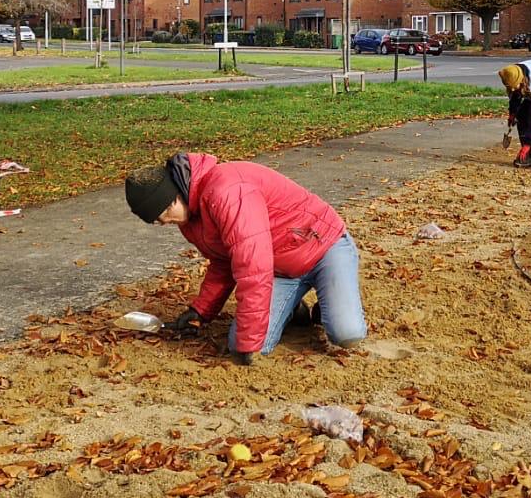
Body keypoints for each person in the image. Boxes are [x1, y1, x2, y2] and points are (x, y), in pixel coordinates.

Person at [123, 153, 367, 363]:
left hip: (325, 248)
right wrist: (201, 311)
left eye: (165, 211)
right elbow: (224, 261)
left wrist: (248, 342)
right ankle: (292, 308)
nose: (165, 221)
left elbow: (253, 267)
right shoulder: (190, 218)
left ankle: (327, 306)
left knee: (346, 333)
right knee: (243, 343)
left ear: (176, 194)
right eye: (157, 220)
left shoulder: (226, 193)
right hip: (281, 270)